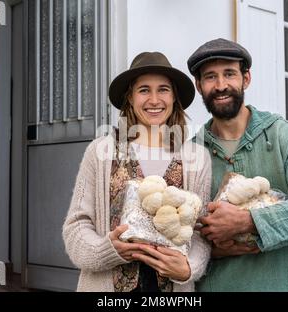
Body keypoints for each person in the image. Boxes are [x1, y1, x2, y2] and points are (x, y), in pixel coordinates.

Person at [187, 38, 288, 291]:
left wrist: (248, 221)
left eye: (230, 74)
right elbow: (184, 237)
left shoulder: (286, 137)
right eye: (210, 77)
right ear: (199, 86)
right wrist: (213, 247)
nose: (221, 85)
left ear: (246, 79)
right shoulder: (190, 154)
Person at [62, 51, 212, 292]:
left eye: (163, 89)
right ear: (130, 97)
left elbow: (200, 232)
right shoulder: (101, 151)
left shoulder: (197, 157)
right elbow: (77, 226)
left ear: (174, 97)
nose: (154, 100)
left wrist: (187, 268)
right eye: (144, 90)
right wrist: (107, 250)